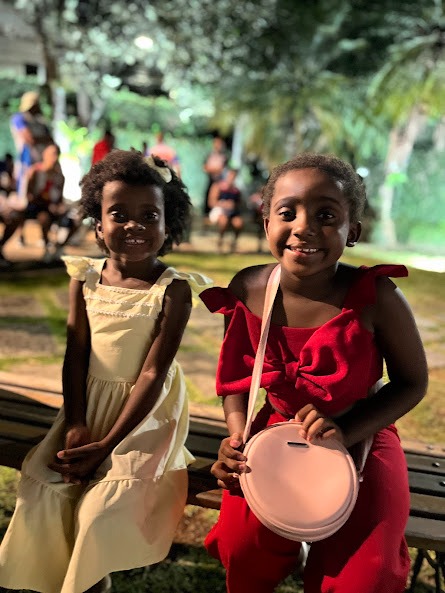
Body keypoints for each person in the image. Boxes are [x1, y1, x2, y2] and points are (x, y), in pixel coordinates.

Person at [199, 153, 428, 593]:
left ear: (352, 231)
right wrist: (237, 437)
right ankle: (285, 550)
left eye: (326, 215)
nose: (304, 227)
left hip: (362, 433)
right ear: (266, 221)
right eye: (288, 213)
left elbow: (412, 382)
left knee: (367, 573)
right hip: (272, 433)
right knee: (242, 548)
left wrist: (345, 430)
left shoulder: (376, 297)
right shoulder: (249, 288)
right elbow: (236, 379)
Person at [0, 149, 212, 593]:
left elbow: (153, 374)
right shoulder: (85, 278)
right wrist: (76, 423)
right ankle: (73, 582)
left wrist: (106, 445)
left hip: (144, 417)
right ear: (97, 224)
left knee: (99, 509)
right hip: (87, 406)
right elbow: (75, 355)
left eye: (149, 216)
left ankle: (90, 581)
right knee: (44, 485)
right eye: (119, 214)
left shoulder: (172, 291)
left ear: (167, 225)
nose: (134, 225)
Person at [9, 91, 53, 202]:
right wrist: (42, 139)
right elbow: (28, 138)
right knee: (26, 187)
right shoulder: (19, 118)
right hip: (27, 157)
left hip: (41, 158)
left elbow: (50, 139)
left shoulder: (40, 121)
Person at [208, 168, 244, 253]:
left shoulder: (236, 190)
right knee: (223, 221)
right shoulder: (217, 186)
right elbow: (211, 202)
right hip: (218, 211)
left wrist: (233, 205)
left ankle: (234, 244)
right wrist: (223, 204)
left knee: (239, 223)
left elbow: (239, 204)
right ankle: (220, 242)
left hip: (231, 213)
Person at [202, 134, 228, 217]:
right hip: (210, 180)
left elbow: (222, 169)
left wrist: (212, 168)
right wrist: (214, 169)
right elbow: (205, 167)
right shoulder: (209, 155)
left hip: (219, 181)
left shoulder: (224, 157)